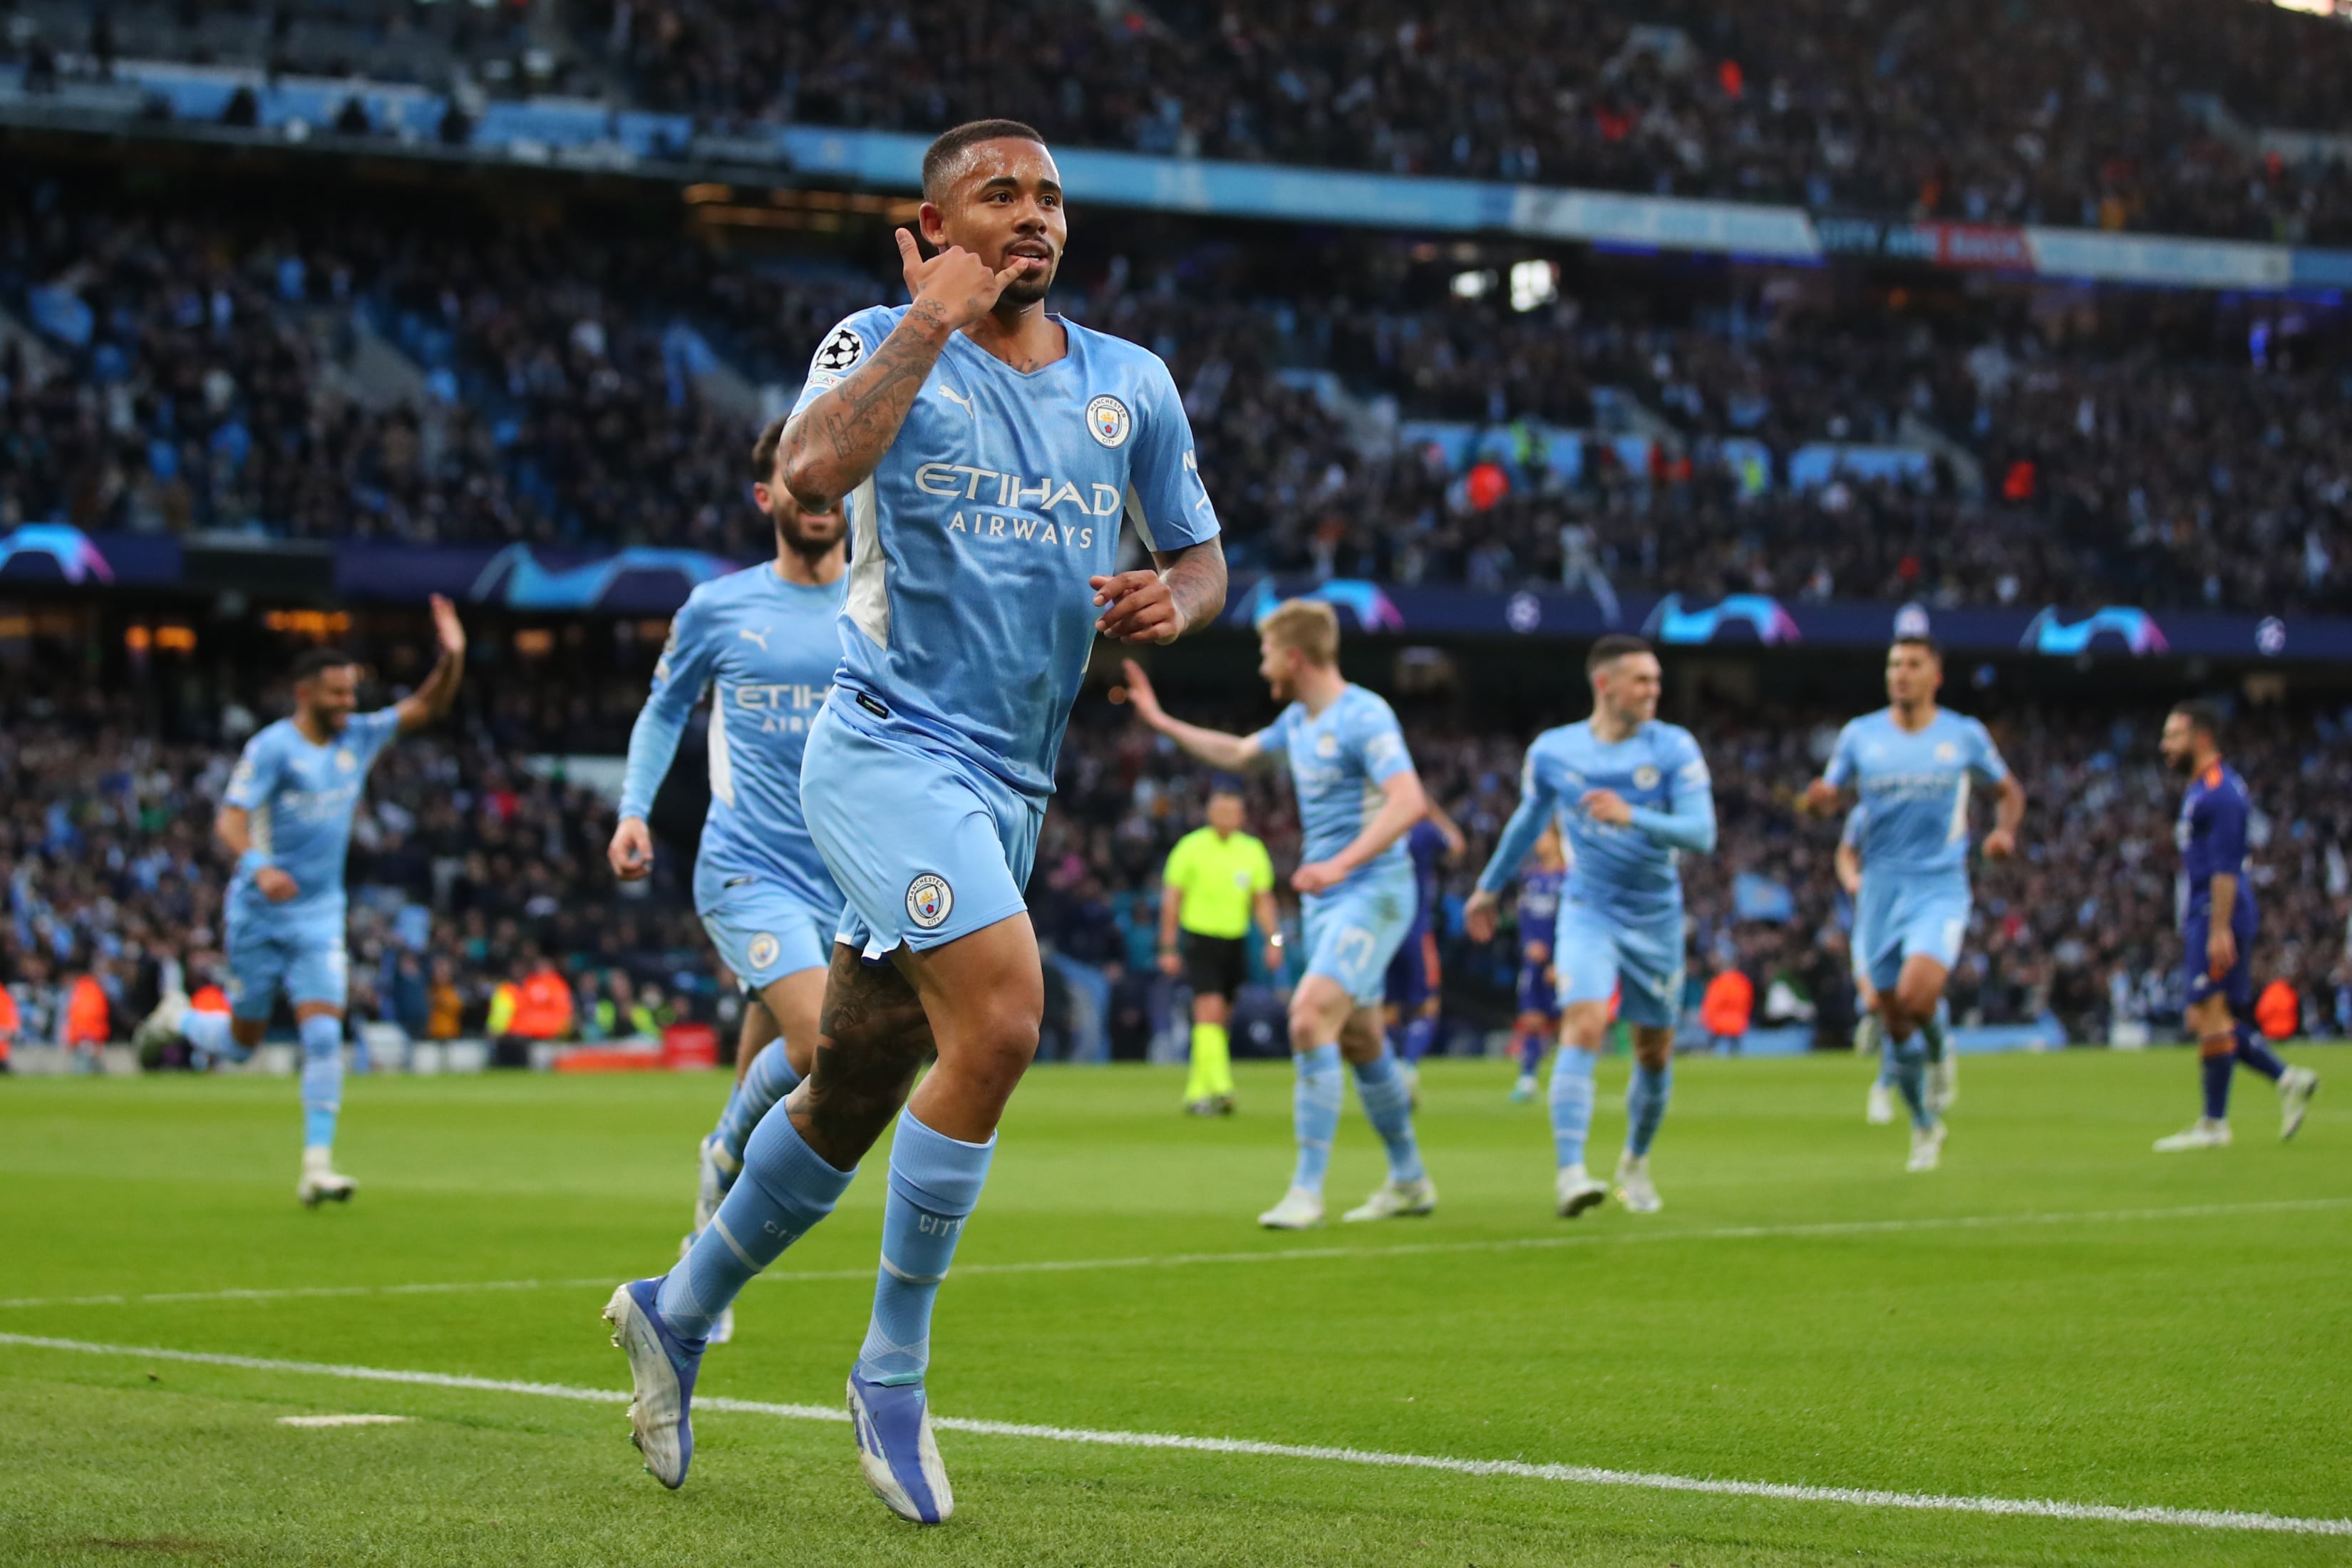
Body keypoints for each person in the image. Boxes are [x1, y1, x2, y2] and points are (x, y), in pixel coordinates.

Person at [602, 119, 1225, 1526]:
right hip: (882, 751)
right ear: (935, 223)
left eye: (1051, 196)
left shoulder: (1133, 382)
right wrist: (932, 318)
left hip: (1014, 780)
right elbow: (811, 474)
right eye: (1000, 195)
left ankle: (676, 1304)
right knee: (1004, 1020)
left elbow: (1200, 558)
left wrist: (1171, 603)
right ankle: (892, 1366)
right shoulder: (877, 339)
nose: (1035, 217)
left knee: (864, 1075)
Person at [608, 418, 850, 1343]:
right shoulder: (718, 607)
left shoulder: (880, 603)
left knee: (785, 1063)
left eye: (831, 487)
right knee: (828, 1044)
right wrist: (635, 810)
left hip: (849, 877)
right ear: (768, 500)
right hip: (748, 867)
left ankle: (702, 1267)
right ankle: (720, 1161)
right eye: (800, 486)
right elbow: (664, 710)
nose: (817, 502)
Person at [136, 600, 465, 1204]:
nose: (348, 702)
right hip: (260, 912)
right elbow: (230, 821)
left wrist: (455, 657)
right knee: (241, 1043)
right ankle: (175, 1019)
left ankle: (317, 1167)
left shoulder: (359, 737)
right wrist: (260, 868)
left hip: (318, 915)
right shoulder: (271, 749)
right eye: (337, 693)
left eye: (351, 692)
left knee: (321, 1035)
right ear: (305, 692)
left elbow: (429, 706)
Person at [1124, 599, 1435, 1231]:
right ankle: (1409, 1178)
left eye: (1266, 652)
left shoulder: (1363, 714)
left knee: (1309, 1017)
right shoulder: (1298, 721)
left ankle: (1306, 1191)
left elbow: (1409, 803)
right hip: (1329, 897)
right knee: (1359, 1038)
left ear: (1293, 657)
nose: (1261, 664)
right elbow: (1239, 754)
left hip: (1372, 890)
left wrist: (1342, 864)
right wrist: (1160, 720)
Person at [1467, 634, 1714, 1218]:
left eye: (1657, 680)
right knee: (1584, 1019)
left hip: (1655, 916)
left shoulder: (1674, 747)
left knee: (1654, 1051)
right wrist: (1487, 887)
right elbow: (1528, 824)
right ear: (1605, 684)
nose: (1655, 690)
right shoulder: (1555, 752)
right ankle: (1572, 1173)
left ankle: (1635, 1160)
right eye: (1643, 681)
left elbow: (1702, 834)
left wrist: (1634, 815)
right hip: (1588, 908)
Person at [1800, 636, 2024, 1173]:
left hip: (1939, 886)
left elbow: (2009, 791)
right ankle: (1925, 1124)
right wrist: (1819, 802)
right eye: (1894, 665)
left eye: (1913, 665)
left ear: (1935, 676)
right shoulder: (1860, 735)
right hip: (1880, 889)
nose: (1900, 674)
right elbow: (1824, 801)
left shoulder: (1963, 735)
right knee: (1892, 1014)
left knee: (1918, 996)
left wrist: (2004, 834)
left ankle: (1941, 1047)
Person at [2152, 701, 2319, 1150]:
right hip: (2207, 913)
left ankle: (2214, 1124)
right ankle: (2287, 1078)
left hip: (2216, 912)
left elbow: (2227, 867)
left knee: (2210, 1015)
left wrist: (2219, 928)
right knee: (2206, 1015)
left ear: (2202, 738)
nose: (2165, 745)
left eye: (2174, 735)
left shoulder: (2220, 792)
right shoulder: (2201, 789)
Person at [1155, 785, 1281, 1115]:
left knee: (1219, 1021)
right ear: (1210, 814)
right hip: (1200, 940)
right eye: (1221, 811)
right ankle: (1223, 1088)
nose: (1227, 818)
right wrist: (1168, 946)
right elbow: (1171, 901)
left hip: (1236, 942)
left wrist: (1274, 941)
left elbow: (1263, 902)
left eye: (1233, 812)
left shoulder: (1252, 851)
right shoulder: (1191, 848)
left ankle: (1196, 1093)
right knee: (1207, 1012)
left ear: (1241, 816)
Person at [1386, 804, 1464, 1100]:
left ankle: (1390, 1069)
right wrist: (1432, 811)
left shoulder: (1379, 831)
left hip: (1385, 931)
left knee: (1388, 1009)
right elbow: (1457, 846)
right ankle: (1407, 1067)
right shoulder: (1423, 831)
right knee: (1427, 1006)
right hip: (1417, 930)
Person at [1506, 825, 1568, 1103]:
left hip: (1561, 961)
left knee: (1566, 1022)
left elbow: (1571, 923)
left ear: (1557, 841)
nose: (1539, 841)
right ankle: (1528, 1078)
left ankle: (1568, 1080)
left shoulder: (1568, 879)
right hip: (1533, 962)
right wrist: (1528, 944)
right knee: (1531, 1018)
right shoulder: (1530, 879)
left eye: (1545, 836)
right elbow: (1524, 920)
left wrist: (1560, 959)